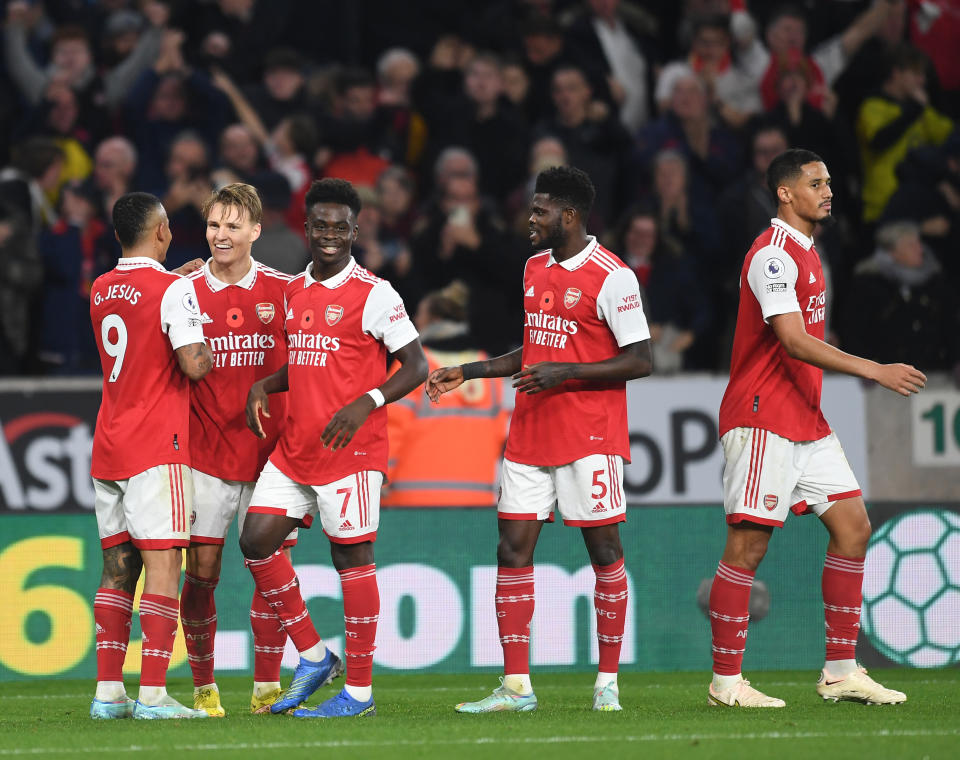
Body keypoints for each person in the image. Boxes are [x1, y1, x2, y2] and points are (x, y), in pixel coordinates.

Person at [427, 166, 653, 713]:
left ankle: (607, 683)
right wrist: (472, 371)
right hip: (529, 434)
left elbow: (641, 359)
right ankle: (516, 686)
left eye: (540, 211)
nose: (531, 219)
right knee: (511, 550)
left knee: (603, 552)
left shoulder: (613, 276)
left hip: (588, 437)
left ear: (569, 216)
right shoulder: (533, 268)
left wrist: (564, 374)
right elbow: (532, 352)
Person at [707, 149, 926, 708]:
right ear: (785, 193)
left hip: (805, 417)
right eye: (815, 183)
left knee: (854, 527)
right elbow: (793, 339)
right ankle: (726, 683)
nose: (828, 191)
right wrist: (873, 368)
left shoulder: (808, 252)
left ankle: (840, 671)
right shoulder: (773, 255)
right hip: (763, 417)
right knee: (748, 546)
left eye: (829, 182)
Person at [239, 178, 428, 718]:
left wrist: (367, 401)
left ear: (355, 230)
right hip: (296, 448)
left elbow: (416, 366)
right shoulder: (295, 291)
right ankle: (315, 655)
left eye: (339, 227)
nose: (329, 235)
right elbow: (307, 363)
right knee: (255, 542)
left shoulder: (375, 293)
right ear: (306, 228)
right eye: (319, 225)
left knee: (351, 557)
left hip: (351, 450)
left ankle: (360, 694)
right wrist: (265, 384)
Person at [88, 191, 212, 720]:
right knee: (165, 565)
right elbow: (195, 364)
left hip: (109, 444)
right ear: (161, 230)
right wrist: (194, 311)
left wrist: (176, 288)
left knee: (117, 568)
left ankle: (108, 693)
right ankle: (156, 694)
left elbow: (139, 311)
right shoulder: (173, 290)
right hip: (157, 445)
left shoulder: (99, 288)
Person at [180, 183, 296, 717]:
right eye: (213, 225)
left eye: (232, 226)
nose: (220, 236)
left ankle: (266, 687)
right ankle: (204, 688)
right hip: (205, 454)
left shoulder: (286, 290)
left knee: (269, 569)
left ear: (255, 230)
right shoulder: (181, 290)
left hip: (271, 458)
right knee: (202, 576)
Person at [383, 280, 509, 507]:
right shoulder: (486, 367)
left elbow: (390, 428)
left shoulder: (415, 367)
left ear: (435, 321)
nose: (415, 321)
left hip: (411, 504)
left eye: (419, 316)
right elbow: (501, 434)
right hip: (475, 503)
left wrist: (378, 483)